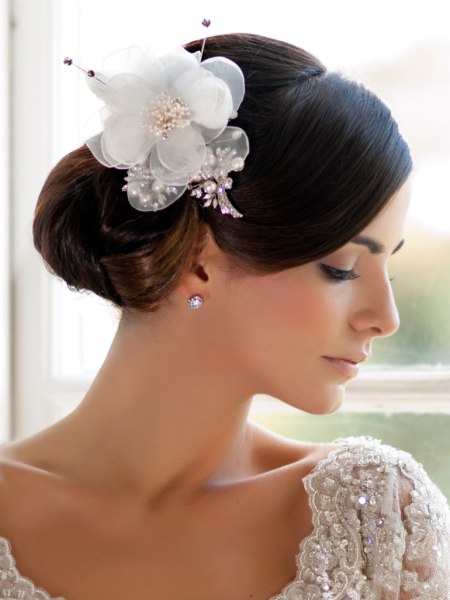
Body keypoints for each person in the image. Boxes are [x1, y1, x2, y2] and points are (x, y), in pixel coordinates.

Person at [0, 32, 449, 600]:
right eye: (341, 267)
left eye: (391, 269)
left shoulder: (377, 515)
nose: (386, 318)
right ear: (199, 261)